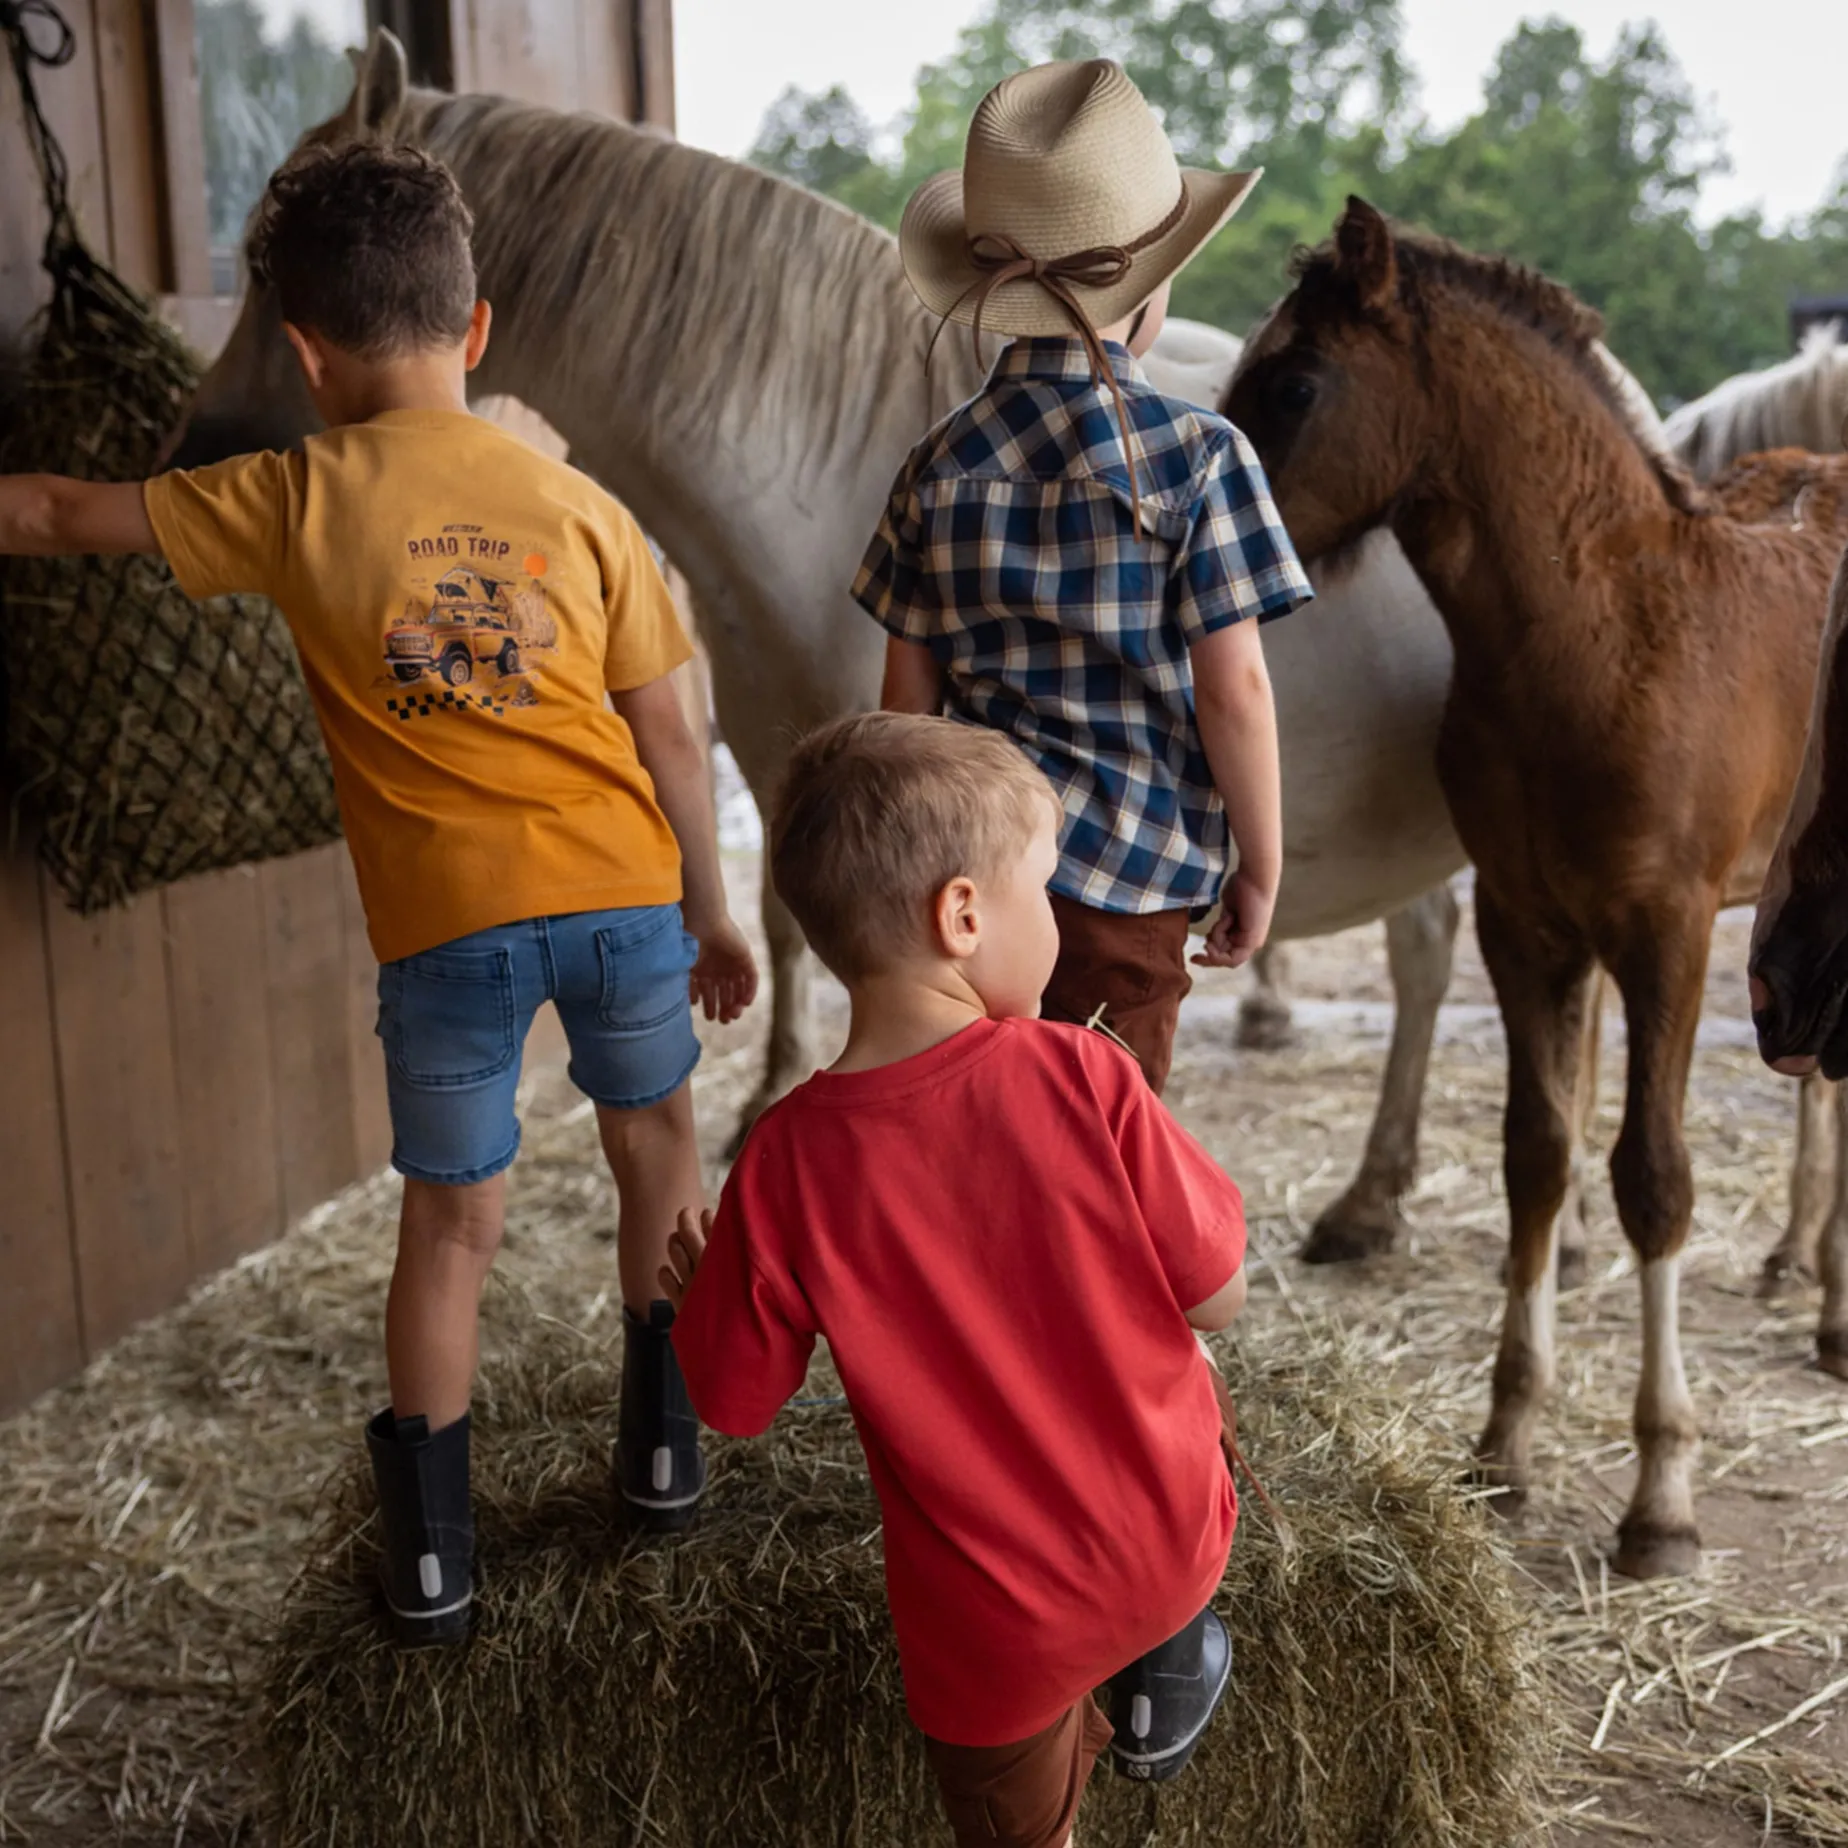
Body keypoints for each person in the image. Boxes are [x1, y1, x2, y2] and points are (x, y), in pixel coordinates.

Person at [0, 141, 756, 1644]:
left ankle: (433, 1568)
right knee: (657, 1153)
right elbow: (675, 728)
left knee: (449, 1228)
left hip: (450, 937)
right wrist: (715, 909)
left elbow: (47, 520)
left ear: (303, 352)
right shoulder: (579, 509)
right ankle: (666, 1464)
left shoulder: (290, 494)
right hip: (621, 899)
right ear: (476, 332)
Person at [669, 713, 1248, 1848]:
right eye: (1045, 890)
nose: (1055, 917)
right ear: (965, 916)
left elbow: (732, 1407)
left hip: (998, 1634)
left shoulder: (783, 1164)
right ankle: (1164, 1655)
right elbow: (1218, 1296)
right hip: (1175, 1535)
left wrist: (704, 1298)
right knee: (1181, 1411)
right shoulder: (1088, 1071)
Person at [856, 58, 1314, 1098]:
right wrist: (1261, 861)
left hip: (966, 894)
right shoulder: (1200, 456)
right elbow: (1234, 687)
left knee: (981, 1138)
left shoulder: (937, 465)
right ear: (1145, 299)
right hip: (1137, 891)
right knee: (1105, 1156)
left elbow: (906, 708)